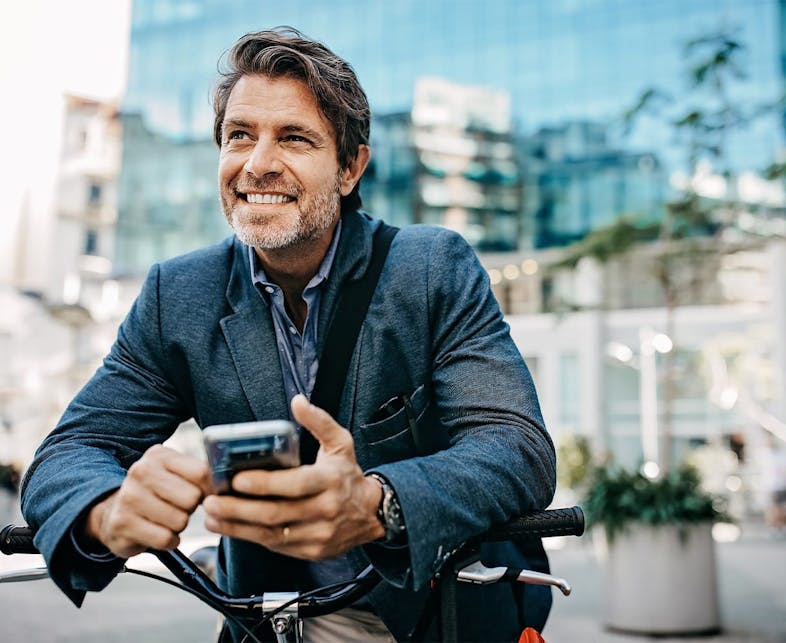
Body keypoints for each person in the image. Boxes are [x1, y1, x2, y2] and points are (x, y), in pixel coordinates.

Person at [20, 27, 556, 642]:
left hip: (434, 616)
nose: (257, 163)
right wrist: (107, 510)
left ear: (350, 168)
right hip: (270, 622)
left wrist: (378, 503)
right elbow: (69, 451)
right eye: (239, 136)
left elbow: (516, 446)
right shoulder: (178, 294)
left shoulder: (431, 268)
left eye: (294, 138)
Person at [753, 437, 786, 534]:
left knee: (781, 507)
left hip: (780, 485)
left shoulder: (781, 456)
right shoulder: (764, 455)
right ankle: (774, 525)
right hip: (770, 485)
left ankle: (781, 524)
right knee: (773, 507)